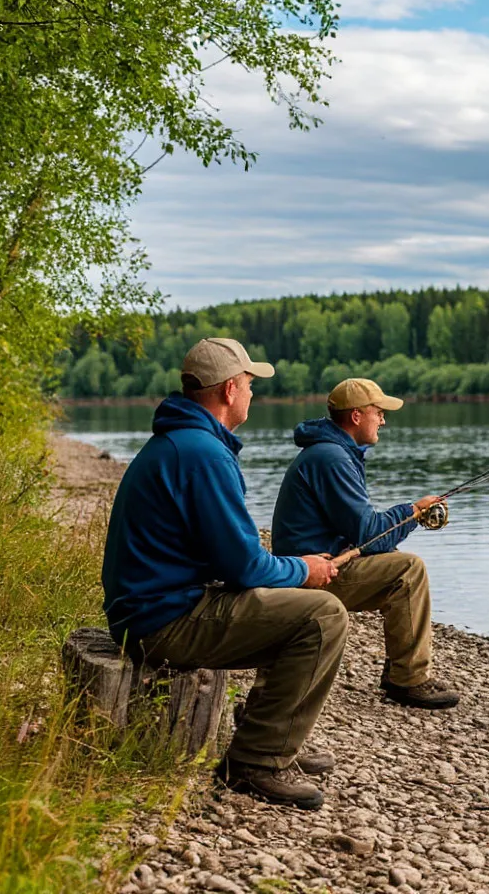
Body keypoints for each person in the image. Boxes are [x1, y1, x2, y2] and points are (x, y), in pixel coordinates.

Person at [101, 337, 345, 810]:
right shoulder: (203, 454)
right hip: (163, 621)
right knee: (322, 616)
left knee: (287, 606)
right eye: (251, 384)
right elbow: (244, 565)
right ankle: (256, 760)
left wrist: (282, 572)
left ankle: (270, 734)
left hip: (150, 609)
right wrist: (305, 568)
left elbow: (228, 560)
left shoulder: (184, 442)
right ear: (230, 390)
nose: (254, 394)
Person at [271, 378, 461, 710]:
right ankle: (409, 679)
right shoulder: (331, 458)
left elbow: (364, 534)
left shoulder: (332, 452)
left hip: (311, 564)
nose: (383, 420)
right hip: (308, 577)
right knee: (408, 570)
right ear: (357, 416)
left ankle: (401, 672)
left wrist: (406, 518)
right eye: (379, 412)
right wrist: (414, 512)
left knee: (394, 561)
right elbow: (368, 532)